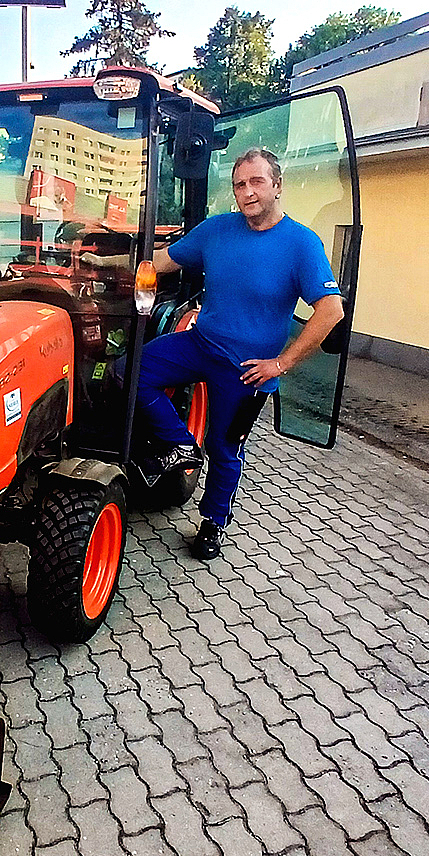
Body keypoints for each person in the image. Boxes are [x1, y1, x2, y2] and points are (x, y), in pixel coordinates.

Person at [101, 147, 346, 560]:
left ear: (277, 186)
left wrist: (281, 364)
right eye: (239, 184)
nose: (247, 192)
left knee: (225, 449)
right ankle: (180, 445)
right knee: (129, 372)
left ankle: (213, 522)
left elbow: (331, 310)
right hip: (200, 344)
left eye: (256, 182)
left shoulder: (302, 244)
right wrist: (97, 261)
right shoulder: (217, 231)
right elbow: (160, 262)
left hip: (248, 370)